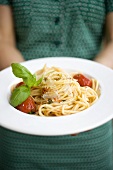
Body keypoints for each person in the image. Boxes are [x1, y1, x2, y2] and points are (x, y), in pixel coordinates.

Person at [0, 0, 113, 170]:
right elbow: (3, 39)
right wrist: (28, 85)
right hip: (22, 134)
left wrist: (90, 83)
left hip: (90, 137)